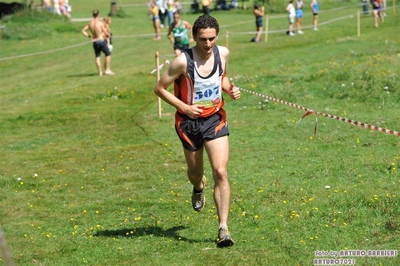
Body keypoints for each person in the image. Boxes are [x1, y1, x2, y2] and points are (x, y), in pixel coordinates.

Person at [154, 15, 240, 248]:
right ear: (194, 37)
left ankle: (223, 229)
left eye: (212, 38)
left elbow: (221, 78)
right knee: (195, 173)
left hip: (214, 119)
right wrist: (183, 106)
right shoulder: (182, 61)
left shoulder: (223, 53)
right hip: (188, 123)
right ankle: (198, 186)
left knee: (220, 171)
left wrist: (230, 89)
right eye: (203, 39)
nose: (208, 44)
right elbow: (160, 88)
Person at [81, 10, 115, 76]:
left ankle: (100, 72)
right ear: (98, 15)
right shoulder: (100, 23)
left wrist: (90, 36)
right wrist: (108, 35)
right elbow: (105, 32)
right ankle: (107, 70)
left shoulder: (90, 23)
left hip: (95, 42)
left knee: (97, 56)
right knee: (108, 54)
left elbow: (83, 31)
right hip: (101, 41)